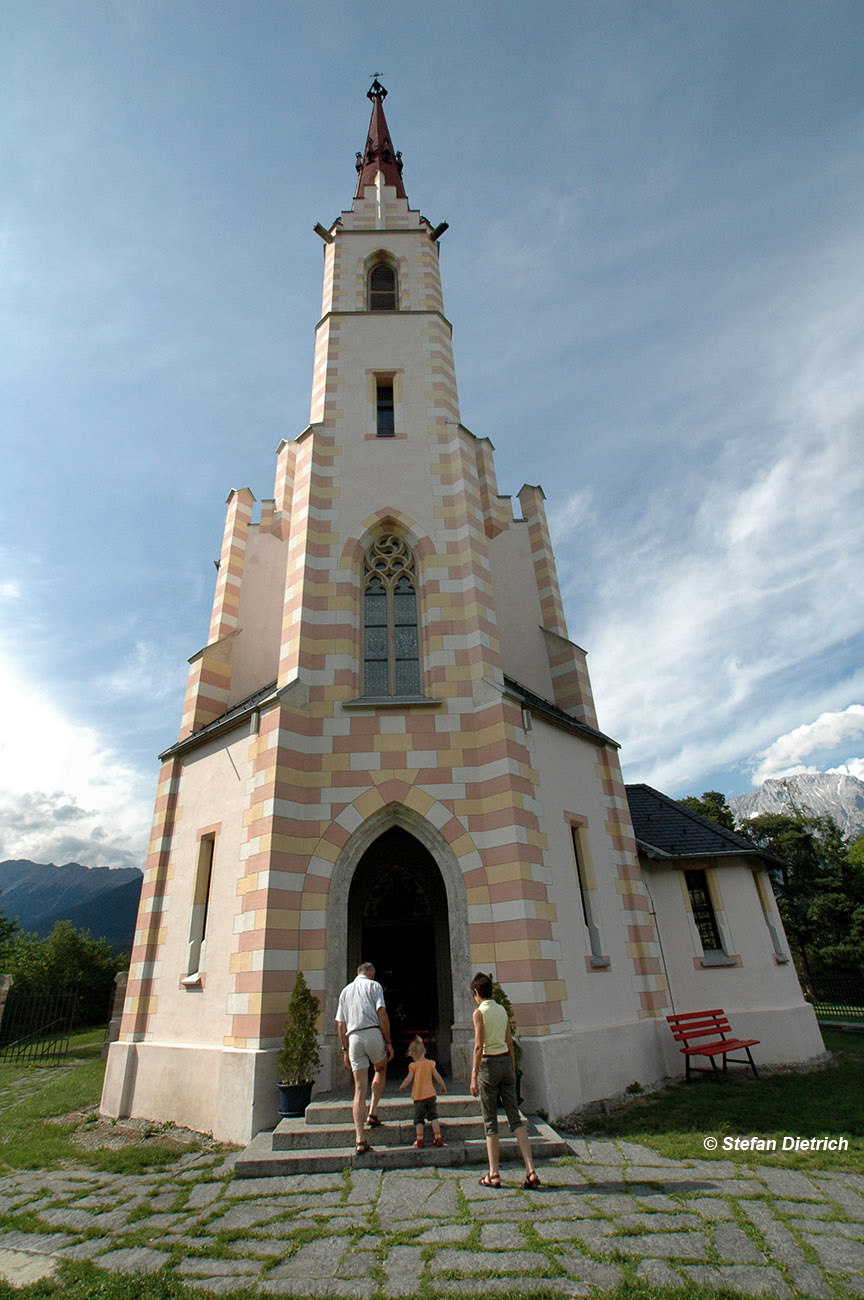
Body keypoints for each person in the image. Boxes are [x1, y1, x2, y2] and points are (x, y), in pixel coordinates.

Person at [469, 971, 540, 1189]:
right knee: (515, 1119)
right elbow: (509, 1042)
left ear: (476, 993)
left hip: (488, 1065)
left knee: (490, 1121)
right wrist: (512, 1067)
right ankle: (530, 1170)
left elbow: (479, 1045)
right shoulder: (501, 1010)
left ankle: (494, 1173)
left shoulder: (479, 1013)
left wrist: (473, 1074)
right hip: (505, 1064)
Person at [335, 961, 394, 1155]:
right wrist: (388, 1041)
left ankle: (360, 1139)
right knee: (380, 1068)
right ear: (370, 973)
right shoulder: (374, 986)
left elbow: (340, 1026)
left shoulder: (345, 991)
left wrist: (344, 1049)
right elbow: (382, 1014)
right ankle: (373, 1111)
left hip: (353, 1038)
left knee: (359, 1088)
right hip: (372, 1033)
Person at [399, 1036, 446, 1149]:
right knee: (433, 1116)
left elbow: (409, 1079)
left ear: (413, 1054)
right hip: (431, 1095)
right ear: (424, 1051)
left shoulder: (413, 1066)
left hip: (418, 1096)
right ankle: (438, 1138)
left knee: (419, 1119)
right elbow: (437, 1076)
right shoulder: (430, 1064)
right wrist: (442, 1086)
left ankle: (420, 1140)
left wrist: (403, 1086)